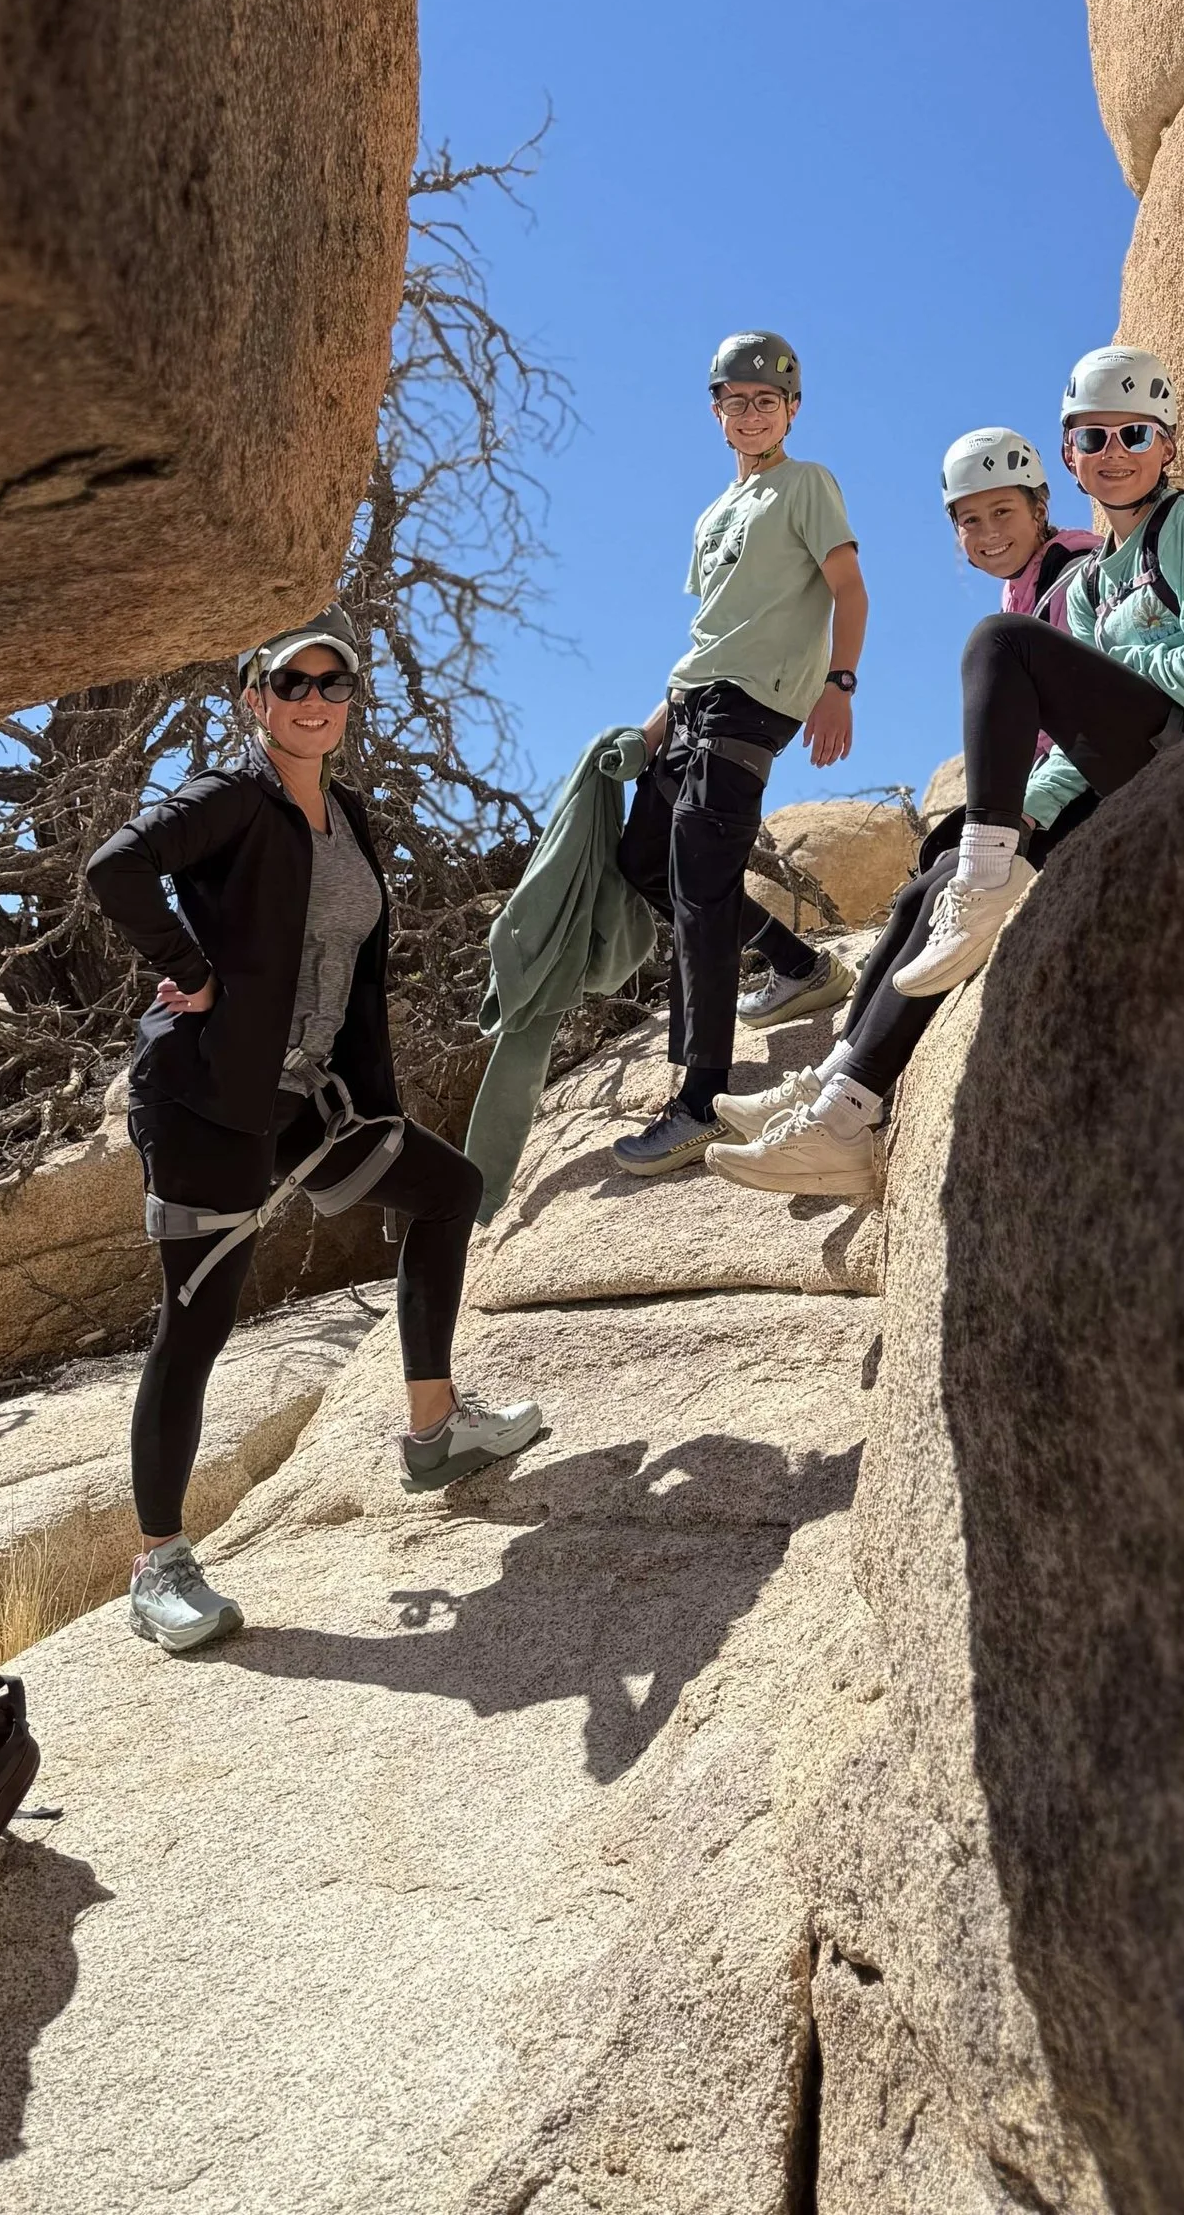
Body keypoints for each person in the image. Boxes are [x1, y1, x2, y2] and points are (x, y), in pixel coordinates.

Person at [86, 607, 545, 1654]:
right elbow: (116, 868)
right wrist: (193, 971)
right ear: (255, 699)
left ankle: (433, 1431)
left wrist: (363, 1079)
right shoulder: (229, 797)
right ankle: (157, 1565)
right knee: (196, 1323)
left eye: (334, 684)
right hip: (204, 1101)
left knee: (448, 1189)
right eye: (292, 684)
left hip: (306, 1099)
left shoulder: (348, 816)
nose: (315, 701)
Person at [707, 426, 1095, 1202]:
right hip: (1047, 795)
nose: (987, 534)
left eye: (1002, 513)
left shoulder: (1074, 571)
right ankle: (828, 1081)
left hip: (1077, 795)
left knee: (952, 880)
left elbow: (1083, 720)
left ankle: (845, 1115)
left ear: (1040, 505)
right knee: (924, 892)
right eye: (970, 520)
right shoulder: (1028, 584)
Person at [886, 345, 1184, 1000]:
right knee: (941, 867)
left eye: (1135, 432)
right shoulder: (1092, 585)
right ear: (1070, 453)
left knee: (1002, 643)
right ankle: (846, 1081)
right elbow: (1085, 735)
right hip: (1156, 769)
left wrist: (1117, 663)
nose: (1114, 451)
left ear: (1167, 445)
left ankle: (986, 879)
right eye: (1092, 436)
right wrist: (1027, 811)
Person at [610, 331, 868, 1178]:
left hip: (749, 709)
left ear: (792, 409)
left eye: (768, 400)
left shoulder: (807, 484)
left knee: (699, 888)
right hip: (691, 703)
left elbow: (848, 587)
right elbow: (708, 636)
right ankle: (798, 965)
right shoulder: (713, 515)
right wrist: (648, 730)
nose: (751, 413)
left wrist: (841, 683)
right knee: (645, 861)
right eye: (737, 400)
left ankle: (699, 1100)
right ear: (715, 411)